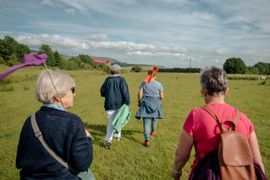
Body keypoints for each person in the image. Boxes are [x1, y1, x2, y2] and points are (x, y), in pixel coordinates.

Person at [172, 66, 265, 179]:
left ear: (204, 91)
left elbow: (181, 156)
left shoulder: (195, 115)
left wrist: (176, 171)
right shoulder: (244, 118)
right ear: (226, 91)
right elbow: (258, 161)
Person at [16, 70, 94, 179]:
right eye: (72, 90)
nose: (74, 93)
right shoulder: (73, 122)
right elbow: (83, 163)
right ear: (58, 96)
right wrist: (88, 139)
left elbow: (21, 160)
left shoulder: (30, 120)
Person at [100, 64, 130, 149]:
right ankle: (111, 139)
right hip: (120, 105)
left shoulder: (107, 80)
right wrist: (127, 103)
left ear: (111, 71)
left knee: (112, 122)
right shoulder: (122, 80)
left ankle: (114, 137)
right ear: (119, 71)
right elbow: (125, 92)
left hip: (109, 104)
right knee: (118, 120)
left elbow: (102, 92)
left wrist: (109, 94)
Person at [135, 67, 164, 147]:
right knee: (154, 118)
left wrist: (139, 101)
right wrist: (158, 101)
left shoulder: (143, 83)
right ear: (155, 76)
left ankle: (147, 141)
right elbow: (162, 96)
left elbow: (140, 94)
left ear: (148, 74)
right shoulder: (159, 84)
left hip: (145, 103)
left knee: (146, 122)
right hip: (156, 103)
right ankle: (154, 132)